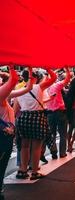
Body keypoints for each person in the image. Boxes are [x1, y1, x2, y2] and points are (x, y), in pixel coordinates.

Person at [14, 68, 57, 180]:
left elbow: (16, 109)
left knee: (24, 146)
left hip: (23, 118)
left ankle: (23, 170)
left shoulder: (19, 91)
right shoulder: (38, 87)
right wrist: (47, 67)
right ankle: (34, 171)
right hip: (37, 117)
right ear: (34, 78)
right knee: (36, 148)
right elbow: (54, 78)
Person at [0, 66, 35, 199]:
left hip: (6, 135)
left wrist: (31, 72)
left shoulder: (4, 95)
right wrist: (11, 64)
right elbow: (14, 79)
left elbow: (28, 89)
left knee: (2, 164)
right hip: (2, 136)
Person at [44, 67, 71, 159]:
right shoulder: (57, 85)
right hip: (60, 112)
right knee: (63, 134)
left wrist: (50, 71)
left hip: (50, 114)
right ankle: (62, 153)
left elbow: (47, 77)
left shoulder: (44, 87)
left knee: (52, 134)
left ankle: (53, 152)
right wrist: (67, 69)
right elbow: (67, 79)